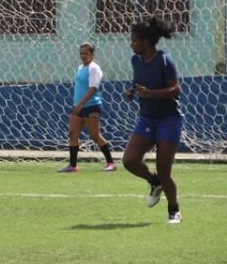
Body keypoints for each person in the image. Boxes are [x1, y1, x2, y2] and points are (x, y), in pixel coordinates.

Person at [122, 17, 183, 224]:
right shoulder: (136, 60)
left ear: (146, 42)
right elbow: (138, 83)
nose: (131, 44)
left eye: (134, 40)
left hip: (169, 121)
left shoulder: (165, 60)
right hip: (147, 120)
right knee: (129, 161)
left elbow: (176, 89)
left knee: (165, 172)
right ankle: (154, 181)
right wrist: (131, 92)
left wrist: (151, 93)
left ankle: (174, 210)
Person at [57, 42, 116, 173]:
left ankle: (111, 163)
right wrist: (77, 104)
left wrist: (81, 104)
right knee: (72, 133)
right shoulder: (80, 68)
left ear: (92, 54)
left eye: (86, 53)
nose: (83, 56)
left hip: (91, 106)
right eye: (81, 53)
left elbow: (93, 88)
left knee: (94, 135)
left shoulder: (94, 68)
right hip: (78, 106)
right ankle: (72, 166)